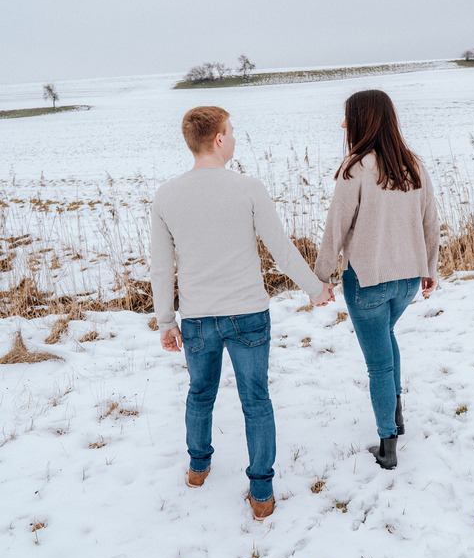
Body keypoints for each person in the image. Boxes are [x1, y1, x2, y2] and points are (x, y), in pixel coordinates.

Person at [150, 106, 333, 521]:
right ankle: (262, 492)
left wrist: (166, 321)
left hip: (196, 319)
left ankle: (198, 467)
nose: (233, 138)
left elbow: (161, 266)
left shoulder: (166, 195)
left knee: (200, 393)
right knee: (256, 400)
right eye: (230, 131)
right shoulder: (249, 188)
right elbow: (281, 250)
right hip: (248, 313)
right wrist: (316, 289)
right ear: (218, 139)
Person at [314, 89, 439, 470]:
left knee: (378, 364)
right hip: (407, 282)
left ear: (363, 121)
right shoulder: (413, 164)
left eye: (347, 117)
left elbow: (336, 228)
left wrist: (319, 279)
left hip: (367, 280)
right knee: (386, 340)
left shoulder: (356, 168)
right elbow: (430, 221)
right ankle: (396, 416)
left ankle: (388, 444)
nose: (342, 125)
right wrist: (430, 269)